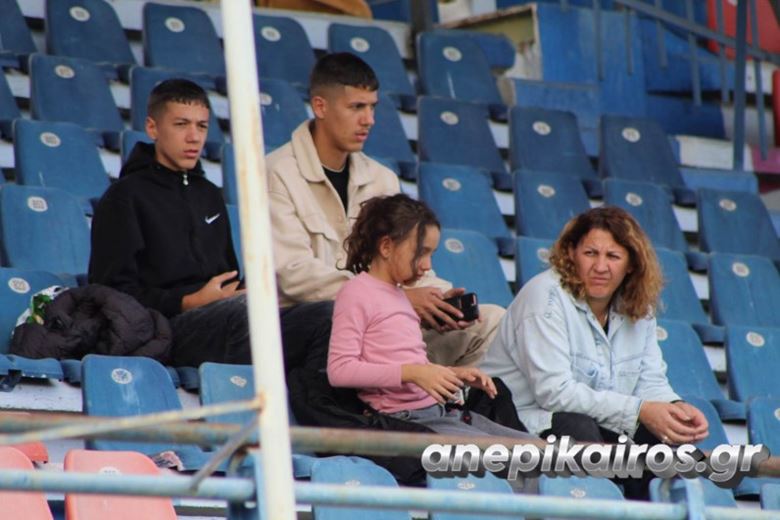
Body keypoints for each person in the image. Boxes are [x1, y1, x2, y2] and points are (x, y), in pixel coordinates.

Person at [267, 52, 504, 369]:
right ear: (320, 106)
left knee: (492, 321)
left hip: (385, 322)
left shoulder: (382, 178)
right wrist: (392, 299)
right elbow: (293, 276)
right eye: (356, 107)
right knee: (334, 318)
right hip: (314, 327)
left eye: (372, 107)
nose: (369, 120)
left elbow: (406, 261)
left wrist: (438, 300)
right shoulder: (276, 172)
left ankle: (448, 396)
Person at [481, 206, 709, 499]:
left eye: (613, 256)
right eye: (590, 253)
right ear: (571, 253)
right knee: (580, 431)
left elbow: (650, 381)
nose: (600, 267)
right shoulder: (544, 297)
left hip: (597, 421)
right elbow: (554, 393)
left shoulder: (639, 307)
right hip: (517, 423)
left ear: (631, 264)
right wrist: (640, 410)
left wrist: (676, 409)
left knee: (664, 442)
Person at [327, 194, 535, 489]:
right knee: (516, 467)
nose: (427, 265)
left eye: (431, 254)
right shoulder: (356, 293)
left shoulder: (400, 294)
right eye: (421, 252)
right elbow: (340, 370)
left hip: (440, 413)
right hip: (409, 422)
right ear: (386, 246)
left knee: (544, 454)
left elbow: (405, 360)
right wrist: (414, 372)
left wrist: (452, 374)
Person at [89, 78, 250, 367]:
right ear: (153, 128)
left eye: (202, 126)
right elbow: (110, 295)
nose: (194, 137)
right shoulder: (124, 196)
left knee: (322, 316)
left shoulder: (210, 194)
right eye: (181, 124)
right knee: (253, 316)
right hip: (164, 329)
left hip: (225, 316)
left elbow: (227, 274)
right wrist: (187, 301)